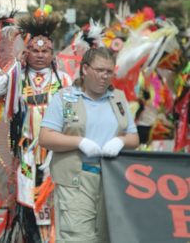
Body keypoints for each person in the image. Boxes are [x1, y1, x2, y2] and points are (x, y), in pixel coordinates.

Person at [39, 47, 139, 243]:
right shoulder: (65, 98)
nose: (104, 76)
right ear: (85, 69)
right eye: (100, 70)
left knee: (107, 237)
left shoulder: (117, 98)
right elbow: (46, 137)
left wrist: (121, 141)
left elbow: (134, 138)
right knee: (79, 238)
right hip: (76, 180)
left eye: (109, 72)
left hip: (111, 181)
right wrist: (79, 142)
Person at [12, 5, 71, 242]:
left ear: (52, 53)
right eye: (34, 51)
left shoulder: (63, 80)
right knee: (27, 199)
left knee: (52, 199)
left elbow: (71, 116)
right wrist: (16, 64)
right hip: (27, 151)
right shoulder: (18, 76)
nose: (39, 55)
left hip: (53, 152)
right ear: (27, 52)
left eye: (45, 51)